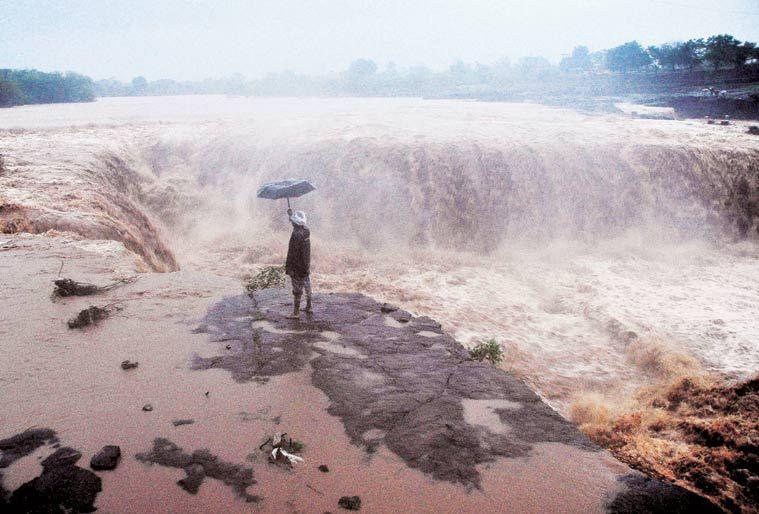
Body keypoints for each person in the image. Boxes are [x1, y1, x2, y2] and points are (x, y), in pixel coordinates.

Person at [285, 208, 312, 318]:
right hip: (306, 265)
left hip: (297, 267)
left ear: (295, 223)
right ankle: (309, 307)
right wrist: (291, 216)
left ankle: (296, 313)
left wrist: (289, 268)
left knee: (297, 289)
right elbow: (299, 224)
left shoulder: (296, 235)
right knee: (307, 285)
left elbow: (292, 254)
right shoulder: (306, 231)